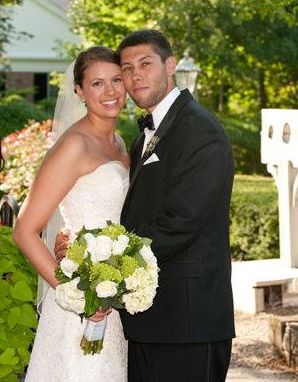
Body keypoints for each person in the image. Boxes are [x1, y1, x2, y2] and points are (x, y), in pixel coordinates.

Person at [59, 30, 236, 381]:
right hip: (149, 319)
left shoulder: (200, 131)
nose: (135, 75)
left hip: (187, 321)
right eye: (126, 68)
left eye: (145, 64)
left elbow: (181, 222)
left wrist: (106, 265)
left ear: (170, 66)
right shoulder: (143, 136)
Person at [13, 46, 130, 381]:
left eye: (116, 80)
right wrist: (79, 297)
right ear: (79, 91)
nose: (109, 91)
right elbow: (24, 231)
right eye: (97, 84)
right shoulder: (74, 145)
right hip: (80, 299)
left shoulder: (119, 142)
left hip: (114, 291)